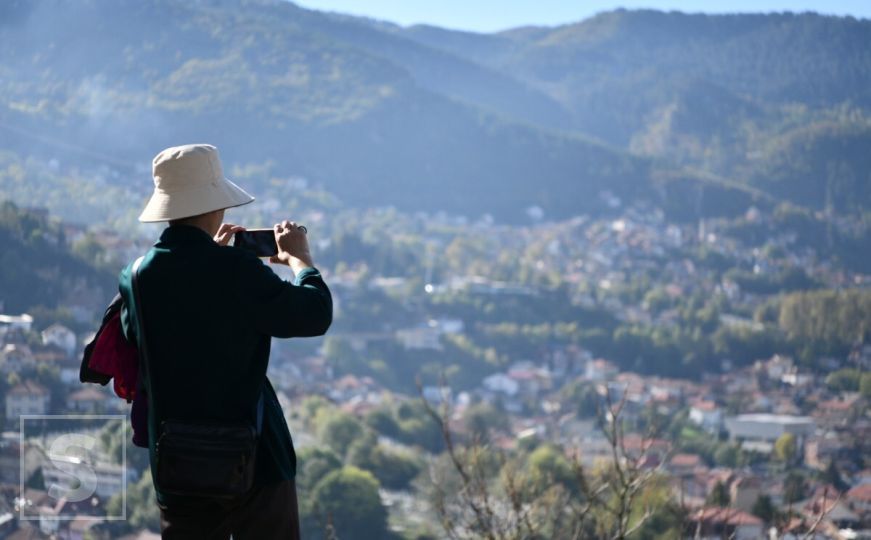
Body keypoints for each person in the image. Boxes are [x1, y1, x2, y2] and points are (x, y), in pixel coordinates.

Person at [118, 143, 332, 539]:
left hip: (178, 466)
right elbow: (315, 313)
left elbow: (144, 337)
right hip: (257, 461)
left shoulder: (135, 276)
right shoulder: (237, 270)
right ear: (215, 206)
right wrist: (302, 260)